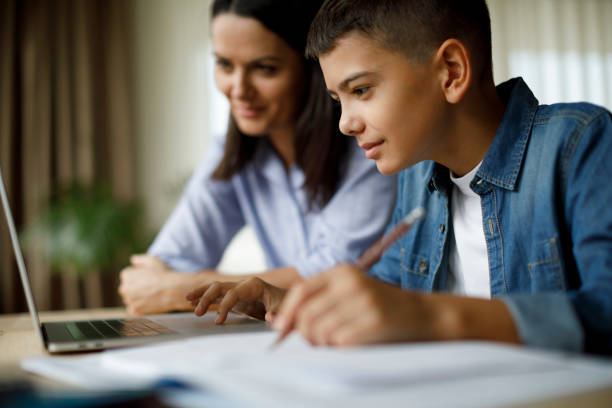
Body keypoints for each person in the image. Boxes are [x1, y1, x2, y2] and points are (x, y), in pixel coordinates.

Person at [187, 0, 612, 355]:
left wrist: (432, 316)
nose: (345, 123)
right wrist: (287, 300)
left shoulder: (580, 144)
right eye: (337, 99)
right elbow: (383, 291)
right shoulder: (418, 178)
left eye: (361, 90)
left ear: (451, 70)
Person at [118, 0, 396, 315]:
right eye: (224, 65)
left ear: (311, 69)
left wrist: (180, 289)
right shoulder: (233, 154)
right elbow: (163, 266)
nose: (239, 89)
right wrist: (166, 283)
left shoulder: (369, 148)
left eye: (265, 69)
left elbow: (332, 274)